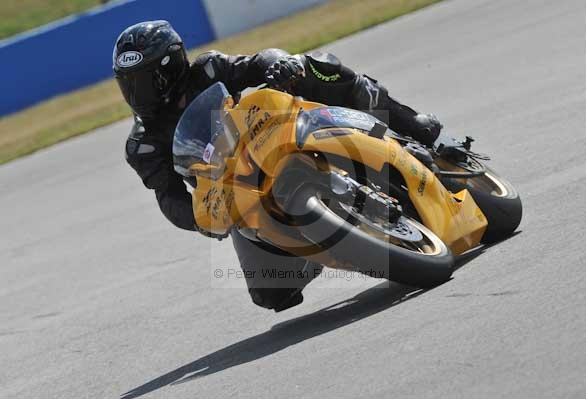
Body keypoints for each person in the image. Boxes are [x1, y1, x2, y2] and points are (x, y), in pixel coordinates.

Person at [114, 20, 442, 312]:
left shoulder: (209, 69)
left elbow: (258, 62)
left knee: (316, 67)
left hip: (270, 137)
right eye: (127, 84)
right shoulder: (143, 144)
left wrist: (280, 64)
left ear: (171, 66)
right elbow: (169, 198)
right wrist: (202, 220)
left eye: (144, 80)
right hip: (238, 189)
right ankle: (330, 238)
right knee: (272, 292)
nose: (135, 93)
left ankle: (410, 125)